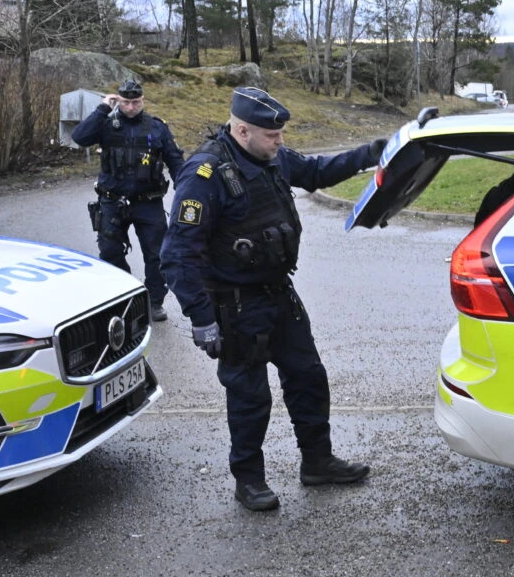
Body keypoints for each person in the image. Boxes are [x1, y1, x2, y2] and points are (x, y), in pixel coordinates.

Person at [160, 86, 387, 512]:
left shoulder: (269, 157)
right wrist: (201, 317)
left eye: (281, 135)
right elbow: (177, 254)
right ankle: (249, 480)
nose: (280, 142)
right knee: (250, 398)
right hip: (235, 305)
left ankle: (317, 462)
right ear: (242, 130)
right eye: (272, 135)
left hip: (279, 293)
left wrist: (377, 151)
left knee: (308, 378)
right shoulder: (205, 175)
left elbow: (319, 171)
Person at [71, 78, 185, 321]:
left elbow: (175, 161)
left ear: (142, 100)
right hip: (112, 201)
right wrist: (102, 108)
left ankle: (154, 301)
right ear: (117, 100)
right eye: (125, 102)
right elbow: (79, 138)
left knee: (157, 255)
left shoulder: (157, 127)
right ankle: (125, 297)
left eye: (135, 102)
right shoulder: (106, 123)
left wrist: (186, 192)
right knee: (110, 252)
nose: (131, 107)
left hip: (148, 202)